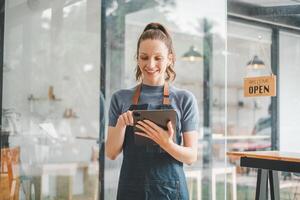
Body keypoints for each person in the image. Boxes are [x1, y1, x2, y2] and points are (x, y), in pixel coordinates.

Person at [105, 22, 199, 200]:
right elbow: (111, 153)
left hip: (171, 192)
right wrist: (121, 125)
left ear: (170, 59)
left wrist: (167, 143)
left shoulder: (185, 99)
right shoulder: (120, 98)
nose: (150, 64)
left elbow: (191, 156)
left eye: (158, 58)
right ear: (137, 58)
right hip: (131, 190)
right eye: (144, 57)